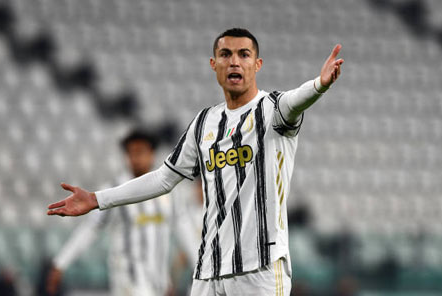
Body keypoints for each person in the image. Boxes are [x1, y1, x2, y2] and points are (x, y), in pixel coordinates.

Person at [48, 28, 344, 295]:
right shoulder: (204, 123)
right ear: (214, 65)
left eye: (244, 54)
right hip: (208, 272)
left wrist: (319, 85)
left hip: (260, 268)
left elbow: (295, 102)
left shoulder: (271, 112)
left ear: (258, 64)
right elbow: (164, 178)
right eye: (225, 54)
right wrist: (97, 199)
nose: (234, 62)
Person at [46, 129, 198, 296]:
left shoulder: (171, 194)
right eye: (131, 153)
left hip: (159, 281)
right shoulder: (113, 191)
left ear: (152, 154)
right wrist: (61, 263)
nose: (136, 158)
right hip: (128, 281)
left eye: (141, 152)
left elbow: (185, 231)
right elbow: (90, 229)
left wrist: (199, 265)